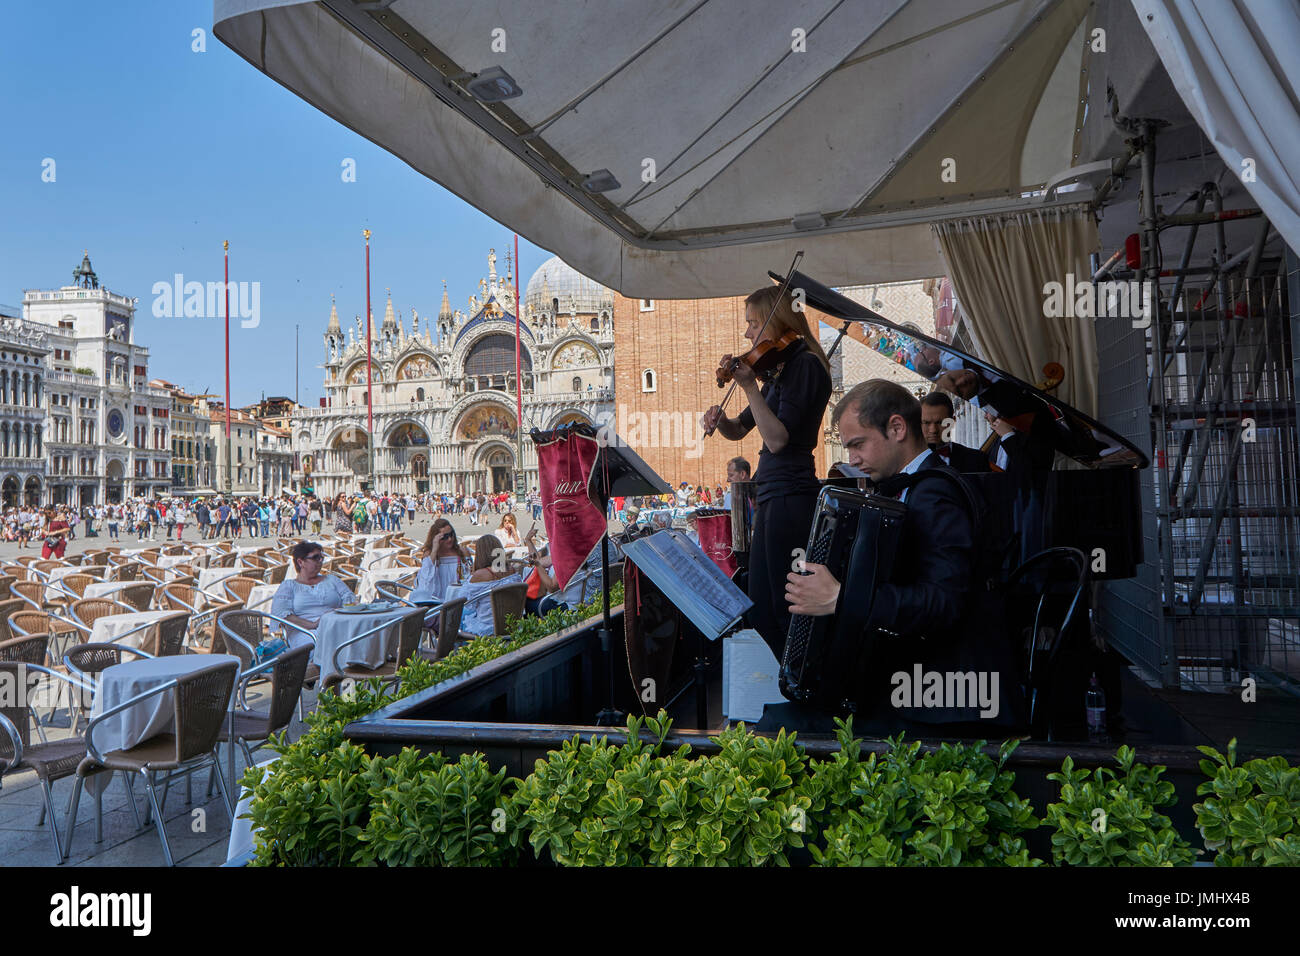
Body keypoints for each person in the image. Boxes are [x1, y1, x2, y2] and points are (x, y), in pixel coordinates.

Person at [773, 379, 1020, 734]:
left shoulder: (935, 494)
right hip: (918, 683)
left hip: (949, 700)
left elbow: (944, 602)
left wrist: (841, 597)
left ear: (897, 427)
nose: (852, 458)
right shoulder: (910, 487)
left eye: (858, 444)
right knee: (790, 715)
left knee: (783, 727)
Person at [701, 284, 832, 658]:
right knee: (761, 601)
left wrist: (748, 387)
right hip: (774, 492)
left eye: (753, 324)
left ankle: (801, 680)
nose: (747, 335)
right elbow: (741, 428)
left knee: (785, 604)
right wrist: (720, 419)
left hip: (791, 493)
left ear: (776, 322)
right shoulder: (780, 370)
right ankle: (792, 676)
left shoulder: (805, 365)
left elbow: (777, 440)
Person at [453, 529, 541, 636]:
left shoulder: (480, 575)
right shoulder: (511, 570)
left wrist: (472, 574)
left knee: (457, 616)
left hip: (489, 626)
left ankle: (461, 651)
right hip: (512, 623)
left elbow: (464, 600)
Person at [270, 540, 357, 636]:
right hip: (304, 632)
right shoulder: (289, 586)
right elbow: (282, 615)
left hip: (335, 626)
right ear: (300, 562)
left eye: (321, 558)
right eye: (315, 558)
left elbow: (350, 601)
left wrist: (336, 616)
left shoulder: (332, 580)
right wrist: (313, 625)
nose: (320, 561)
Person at [921, 392, 989, 472]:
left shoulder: (977, 460)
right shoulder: (906, 461)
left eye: (940, 423)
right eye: (926, 423)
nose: (933, 430)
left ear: (952, 421)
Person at [412, 518, 471, 601]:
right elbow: (425, 580)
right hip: (436, 599)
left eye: (451, 534)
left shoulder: (462, 552)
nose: (450, 539)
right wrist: (435, 549)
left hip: (459, 598)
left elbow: (470, 577)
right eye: (445, 537)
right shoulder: (430, 554)